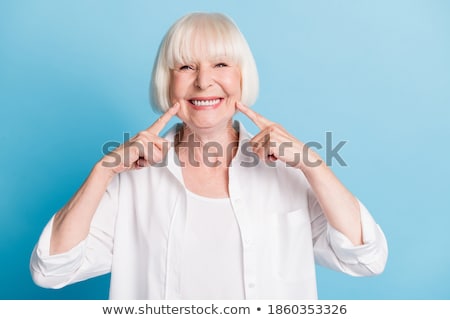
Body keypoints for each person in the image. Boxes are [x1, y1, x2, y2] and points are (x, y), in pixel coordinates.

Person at [30, 12, 388, 300]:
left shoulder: (288, 174)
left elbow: (366, 259)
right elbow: (51, 270)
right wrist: (103, 171)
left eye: (220, 65)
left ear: (242, 77)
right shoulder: (130, 183)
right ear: (167, 81)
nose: (203, 82)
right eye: (186, 67)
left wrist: (313, 165)